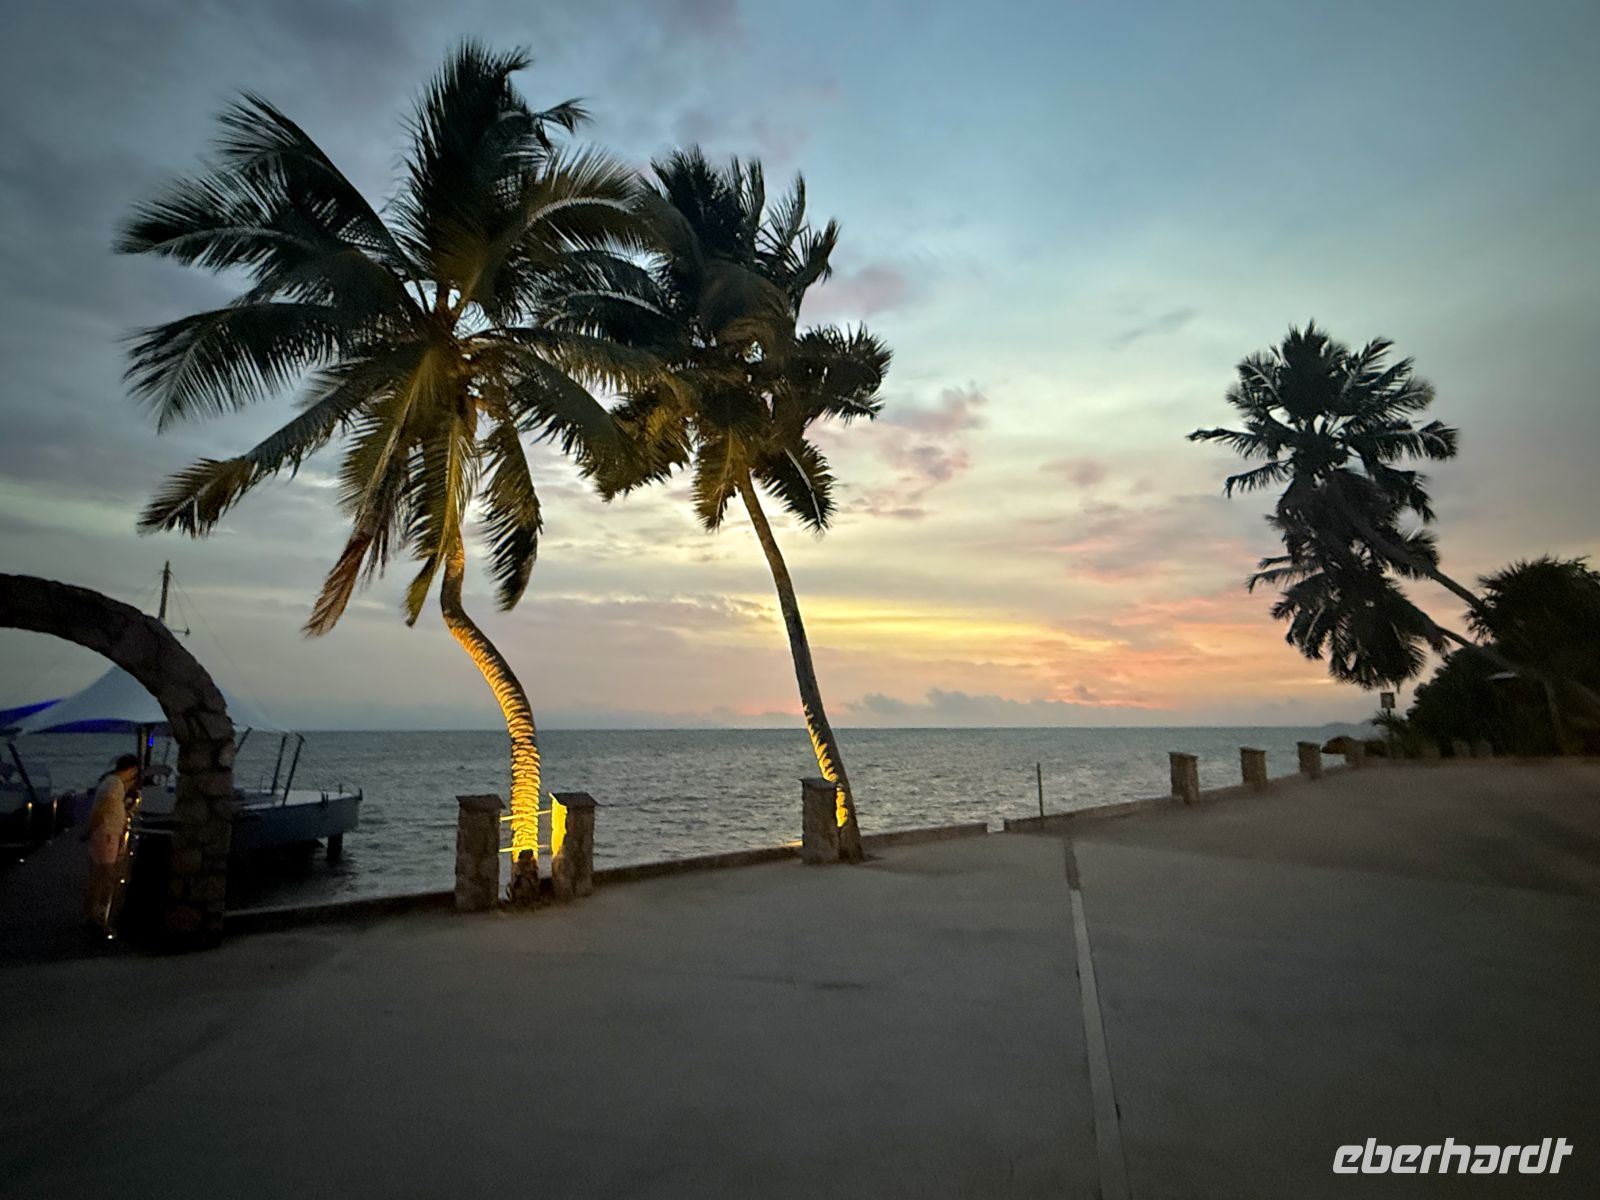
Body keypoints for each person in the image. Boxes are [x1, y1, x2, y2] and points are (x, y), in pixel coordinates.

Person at [84, 754, 139, 933]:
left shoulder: (112, 783)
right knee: (104, 875)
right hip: (106, 834)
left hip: (106, 833)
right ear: (131, 769)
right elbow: (103, 807)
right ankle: (97, 916)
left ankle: (93, 914)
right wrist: (90, 829)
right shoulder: (114, 784)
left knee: (100, 875)